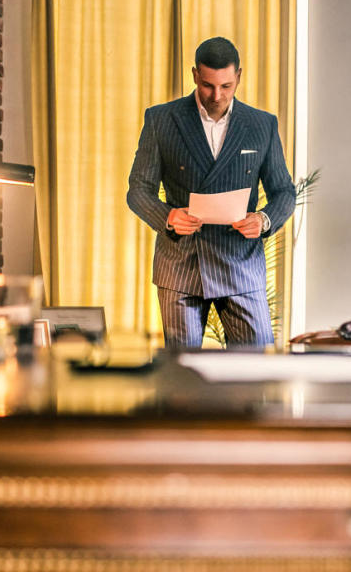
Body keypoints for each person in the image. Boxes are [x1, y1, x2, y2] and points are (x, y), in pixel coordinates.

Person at [127, 36, 296, 348]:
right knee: (184, 378)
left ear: (238, 77)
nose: (217, 95)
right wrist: (168, 216)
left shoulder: (261, 125)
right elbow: (138, 190)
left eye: (226, 86)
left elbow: (284, 191)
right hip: (180, 265)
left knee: (256, 372)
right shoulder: (162, 120)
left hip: (241, 263)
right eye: (207, 85)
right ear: (195, 75)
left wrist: (263, 220)